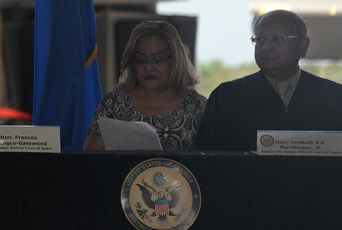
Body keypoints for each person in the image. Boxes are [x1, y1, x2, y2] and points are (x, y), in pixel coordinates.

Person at [196, 9, 342, 151]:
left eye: (277, 39)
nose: (266, 47)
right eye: (260, 39)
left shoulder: (334, 96)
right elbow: (209, 158)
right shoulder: (228, 97)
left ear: (302, 45)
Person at [84, 20, 206, 151]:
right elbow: (91, 160)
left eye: (157, 60)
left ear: (175, 60)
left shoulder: (198, 106)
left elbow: (212, 164)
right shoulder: (113, 104)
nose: (148, 67)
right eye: (141, 60)